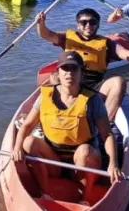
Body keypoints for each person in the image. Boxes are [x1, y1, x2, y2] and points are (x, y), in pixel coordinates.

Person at [12, 51, 123, 202]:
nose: (69, 73)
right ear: (58, 72)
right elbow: (26, 126)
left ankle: (85, 197)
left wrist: (113, 164)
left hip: (83, 162)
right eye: (65, 68)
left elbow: (107, 135)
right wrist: (17, 148)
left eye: (74, 68)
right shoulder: (45, 96)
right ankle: (45, 194)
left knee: (84, 151)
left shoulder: (92, 100)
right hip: (54, 161)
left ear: (81, 73)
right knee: (28, 142)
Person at [37, 7, 129, 121]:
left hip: (93, 85)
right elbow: (45, 34)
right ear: (78, 25)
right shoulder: (67, 37)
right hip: (70, 81)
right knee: (53, 77)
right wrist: (41, 23)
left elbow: (126, 53)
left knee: (118, 82)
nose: (88, 25)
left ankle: (105, 122)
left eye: (92, 22)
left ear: (97, 25)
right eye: (83, 22)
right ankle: (52, 115)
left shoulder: (107, 44)